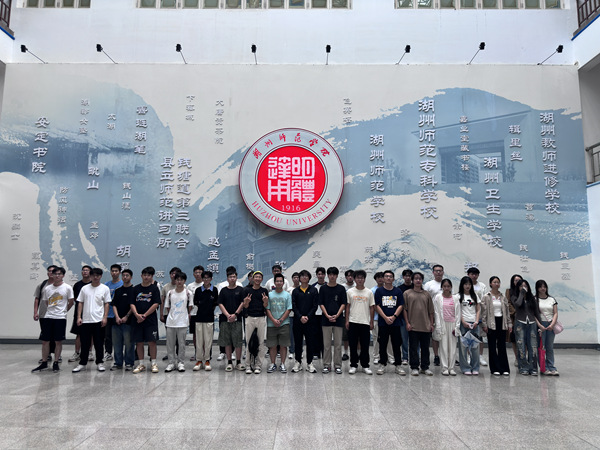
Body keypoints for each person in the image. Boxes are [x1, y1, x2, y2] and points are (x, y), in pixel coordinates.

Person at [32, 267, 74, 373]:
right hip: (48, 317)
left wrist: (64, 311)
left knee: (58, 341)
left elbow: (71, 301)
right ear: (52, 275)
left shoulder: (67, 287)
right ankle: (44, 362)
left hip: (60, 318)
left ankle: (56, 362)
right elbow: (46, 302)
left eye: (59, 274)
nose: (57, 276)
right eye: (55, 274)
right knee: (45, 341)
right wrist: (51, 310)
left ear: (63, 275)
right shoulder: (47, 288)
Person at [72, 268, 111, 373]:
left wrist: (105, 317)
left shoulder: (105, 288)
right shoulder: (84, 288)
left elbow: (107, 303)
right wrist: (79, 317)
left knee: (99, 343)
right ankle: (82, 363)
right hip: (86, 320)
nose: (95, 277)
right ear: (90, 276)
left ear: (101, 276)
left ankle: (100, 362)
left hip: (99, 321)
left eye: (98, 275)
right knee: (85, 343)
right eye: (93, 275)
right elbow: (80, 302)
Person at [130, 266, 162, 374]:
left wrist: (144, 316)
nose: (146, 277)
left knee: (152, 342)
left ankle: (153, 363)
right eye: (144, 275)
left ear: (152, 276)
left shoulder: (154, 289)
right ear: (141, 276)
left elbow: (156, 303)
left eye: (148, 275)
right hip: (137, 320)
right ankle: (141, 364)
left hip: (150, 320)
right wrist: (136, 314)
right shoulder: (136, 288)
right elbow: (132, 303)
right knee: (139, 342)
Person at [374, 270, 405, 375]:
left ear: (393, 279)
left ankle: (398, 365)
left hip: (396, 323)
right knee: (382, 344)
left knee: (396, 344)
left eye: (390, 276)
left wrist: (394, 317)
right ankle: (382, 364)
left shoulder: (398, 291)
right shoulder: (379, 291)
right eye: (386, 276)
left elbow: (401, 305)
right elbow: (377, 306)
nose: (388, 278)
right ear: (383, 278)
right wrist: (385, 318)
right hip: (383, 323)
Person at [403, 272, 434, 376]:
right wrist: (407, 323)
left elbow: (431, 311)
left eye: (420, 278)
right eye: (416, 278)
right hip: (413, 326)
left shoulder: (426, 294)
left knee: (425, 348)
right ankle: (414, 367)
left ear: (422, 280)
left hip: (425, 326)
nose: (418, 280)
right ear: (412, 280)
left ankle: (425, 367)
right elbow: (404, 310)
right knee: (413, 348)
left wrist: (431, 324)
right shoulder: (407, 293)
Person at [346, 269, 375, 375]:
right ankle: (353, 365)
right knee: (353, 345)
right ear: (354, 279)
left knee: (365, 345)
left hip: (365, 322)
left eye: (362, 278)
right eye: (358, 278)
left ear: (364, 279)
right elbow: (347, 307)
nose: (360, 280)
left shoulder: (369, 292)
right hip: (353, 321)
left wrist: (371, 321)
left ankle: (365, 365)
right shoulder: (350, 292)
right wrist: (347, 320)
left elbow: (372, 307)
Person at [481, 276, 511, 376]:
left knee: (502, 345)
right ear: (490, 284)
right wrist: (484, 324)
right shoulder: (486, 296)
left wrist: (509, 324)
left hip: (501, 322)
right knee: (492, 346)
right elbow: (484, 312)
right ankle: (495, 368)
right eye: (494, 282)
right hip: (491, 323)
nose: (496, 284)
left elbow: (507, 312)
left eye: (498, 282)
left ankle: (504, 368)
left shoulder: (503, 296)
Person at [319, 266, 347, 374]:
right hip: (325, 320)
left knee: (338, 344)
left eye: (334, 274)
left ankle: (337, 365)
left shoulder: (341, 288)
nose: (332, 276)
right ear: (328, 275)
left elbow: (343, 303)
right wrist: (327, 315)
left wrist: (337, 315)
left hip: (338, 320)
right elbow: (321, 303)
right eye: (330, 274)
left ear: (337, 276)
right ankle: (326, 365)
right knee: (326, 345)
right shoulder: (323, 288)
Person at [164, 272, 193, 372]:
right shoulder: (170, 293)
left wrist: (185, 315)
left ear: (184, 281)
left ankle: (181, 363)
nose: (179, 282)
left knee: (181, 344)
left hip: (183, 322)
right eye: (177, 280)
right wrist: (172, 315)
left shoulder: (188, 293)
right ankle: (171, 363)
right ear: (175, 280)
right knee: (170, 344)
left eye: (181, 280)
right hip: (171, 322)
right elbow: (167, 306)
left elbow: (190, 306)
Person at [291, 269, 319, 373]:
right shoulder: (295, 291)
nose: (304, 277)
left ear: (309, 278)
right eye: (302, 276)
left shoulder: (313, 290)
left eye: (306, 276)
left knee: (310, 343)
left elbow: (315, 306)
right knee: (298, 342)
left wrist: (307, 316)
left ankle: (309, 363)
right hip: (298, 321)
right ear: (299, 278)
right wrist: (300, 317)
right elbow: (293, 305)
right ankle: (298, 362)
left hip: (310, 321)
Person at [218, 266, 245, 372]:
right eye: (230, 277)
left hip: (237, 319)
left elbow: (242, 303)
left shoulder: (240, 290)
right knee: (227, 341)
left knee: (238, 341)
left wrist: (235, 314)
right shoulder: (223, 290)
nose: (232, 278)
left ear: (236, 278)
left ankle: (238, 362)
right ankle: (229, 362)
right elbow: (220, 303)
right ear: (227, 278)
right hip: (226, 320)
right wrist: (227, 315)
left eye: (234, 277)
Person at [512, 279, 541, 376]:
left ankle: (533, 368)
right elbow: (518, 304)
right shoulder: (514, 297)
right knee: (521, 346)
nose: (523, 288)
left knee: (533, 346)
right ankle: (523, 367)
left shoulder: (532, 298)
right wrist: (521, 293)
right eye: (521, 286)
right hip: (520, 323)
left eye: (525, 286)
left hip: (532, 323)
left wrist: (540, 326)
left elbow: (536, 312)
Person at [241, 271, 269, 374]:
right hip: (250, 318)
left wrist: (265, 301)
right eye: (256, 277)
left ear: (262, 279)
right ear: (252, 278)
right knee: (248, 342)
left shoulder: (264, 291)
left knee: (260, 343)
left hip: (261, 318)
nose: (257, 279)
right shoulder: (246, 290)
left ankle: (258, 365)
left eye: (259, 277)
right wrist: (247, 302)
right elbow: (245, 306)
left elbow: (266, 306)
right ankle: (248, 365)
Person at [432, 278, 460, 376]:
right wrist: (438, 326)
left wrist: (457, 327)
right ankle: (444, 367)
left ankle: (451, 368)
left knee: (453, 348)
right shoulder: (438, 297)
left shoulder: (455, 298)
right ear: (442, 287)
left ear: (451, 287)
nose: (446, 288)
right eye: (444, 286)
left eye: (448, 286)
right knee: (443, 347)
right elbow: (436, 312)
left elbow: (458, 313)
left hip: (452, 324)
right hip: (443, 324)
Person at [266, 273, 292, 373]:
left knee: (283, 345)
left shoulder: (287, 295)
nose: (279, 283)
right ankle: (272, 364)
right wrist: (273, 320)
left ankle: (282, 364)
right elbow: (267, 309)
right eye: (277, 281)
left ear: (283, 283)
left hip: (284, 324)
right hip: (271, 324)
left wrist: (281, 320)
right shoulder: (269, 295)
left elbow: (289, 309)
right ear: (274, 282)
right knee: (272, 345)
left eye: (281, 281)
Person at [193, 270, 218, 372]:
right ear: (202, 279)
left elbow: (215, 303)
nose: (206, 280)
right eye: (204, 278)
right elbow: (196, 302)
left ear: (211, 279)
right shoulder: (198, 290)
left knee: (208, 341)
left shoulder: (214, 290)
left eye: (208, 278)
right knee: (199, 341)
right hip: (199, 318)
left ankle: (207, 360)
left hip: (209, 319)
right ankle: (199, 361)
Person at [110, 269, 135, 371]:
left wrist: (127, 316)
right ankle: (118, 363)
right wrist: (117, 317)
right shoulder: (118, 290)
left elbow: (134, 306)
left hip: (129, 322)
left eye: (127, 275)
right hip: (117, 321)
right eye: (123, 275)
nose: (125, 277)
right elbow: (114, 305)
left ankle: (129, 363)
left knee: (129, 344)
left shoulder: (134, 290)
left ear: (131, 277)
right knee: (117, 344)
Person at [33, 265, 57, 365]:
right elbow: (37, 299)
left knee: (56, 336)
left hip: (56, 315)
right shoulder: (42, 285)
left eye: (53, 271)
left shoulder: (60, 285)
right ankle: (47, 355)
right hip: (44, 314)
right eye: (49, 271)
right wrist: (35, 312)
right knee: (46, 336)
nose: (51, 273)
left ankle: (57, 355)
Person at [457, 276, 481, 376]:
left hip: (474, 324)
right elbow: (458, 310)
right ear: (462, 285)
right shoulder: (458, 296)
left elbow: (478, 309)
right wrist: (463, 322)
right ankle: (465, 368)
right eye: (466, 284)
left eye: (469, 284)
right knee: (463, 348)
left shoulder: (475, 296)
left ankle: (475, 367)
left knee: (475, 347)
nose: (467, 286)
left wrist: (476, 321)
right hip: (464, 324)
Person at [535, 279, 559, 376]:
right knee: (541, 347)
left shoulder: (552, 299)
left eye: (544, 286)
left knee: (549, 347)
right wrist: (539, 325)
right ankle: (543, 367)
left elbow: (555, 313)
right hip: (540, 325)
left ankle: (551, 367)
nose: (543, 288)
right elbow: (533, 314)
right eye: (540, 287)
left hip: (550, 325)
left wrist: (552, 324)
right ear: (537, 288)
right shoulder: (535, 299)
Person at [68, 265, 92, 363]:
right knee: (79, 334)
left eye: (87, 270)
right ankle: (77, 353)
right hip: (79, 312)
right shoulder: (77, 285)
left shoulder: (93, 284)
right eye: (83, 270)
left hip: (90, 312)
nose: (85, 272)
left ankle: (89, 352)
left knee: (90, 334)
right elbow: (75, 299)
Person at [160, 267, 183, 361]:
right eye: (172, 273)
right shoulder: (166, 287)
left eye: (176, 273)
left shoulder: (183, 287)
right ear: (170, 275)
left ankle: (179, 354)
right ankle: (170, 354)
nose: (174, 275)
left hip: (180, 315)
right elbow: (162, 301)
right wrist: (161, 314)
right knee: (170, 336)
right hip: (168, 315)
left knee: (179, 336)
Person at [467, 267, 489, 367]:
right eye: (472, 274)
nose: (474, 276)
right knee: (468, 336)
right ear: (468, 275)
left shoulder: (482, 286)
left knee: (480, 336)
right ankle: (469, 356)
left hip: (479, 313)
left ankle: (480, 355)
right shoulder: (465, 285)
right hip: (468, 313)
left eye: (475, 274)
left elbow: (485, 300)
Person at [424, 264, 444, 366]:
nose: (438, 272)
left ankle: (446, 356)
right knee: (435, 335)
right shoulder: (429, 284)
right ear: (433, 272)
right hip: (432, 313)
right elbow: (425, 299)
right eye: (436, 271)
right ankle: (436, 356)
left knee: (445, 335)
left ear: (443, 272)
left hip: (445, 313)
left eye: (440, 271)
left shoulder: (446, 283)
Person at [103, 264, 123, 363]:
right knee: (107, 336)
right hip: (108, 314)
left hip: (119, 315)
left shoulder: (122, 284)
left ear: (119, 272)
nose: (114, 273)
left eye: (116, 271)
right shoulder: (106, 285)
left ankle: (119, 354)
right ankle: (108, 353)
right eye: (112, 271)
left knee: (119, 336)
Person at [187, 265, 204, 361]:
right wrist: (188, 313)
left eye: (200, 272)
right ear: (193, 274)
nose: (198, 274)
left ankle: (205, 353)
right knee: (195, 334)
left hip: (203, 314)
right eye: (196, 272)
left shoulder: (206, 285)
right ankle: (197, 352)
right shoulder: (190, 286)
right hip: (193, 313)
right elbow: (187, 301)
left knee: (204, 334)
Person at [506, 274, 523, 366]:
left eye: (519, 280)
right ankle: (517, 358)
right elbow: (508, 303)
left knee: (524, 338)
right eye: (515, 280)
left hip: (524, 317)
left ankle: (523, 357)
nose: (517, 282)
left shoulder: (524, 291)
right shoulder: (509, 291)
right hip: (513, 318)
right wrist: (515, 312)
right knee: (514, 338)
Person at [397, 269, 413, 365]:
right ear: (403, 277)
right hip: (402, 318)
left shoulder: (416, 287)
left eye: (409, 276)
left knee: (415, 339)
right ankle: (405, 357)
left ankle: (415, 356)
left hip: (414, 317)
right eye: (406, 276)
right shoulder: (399, 289)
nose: (408, 278)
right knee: (404, 339)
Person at [311, 266, 327, 360]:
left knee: (325, 335)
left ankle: (325, 352)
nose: (320, 276)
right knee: (315, 334)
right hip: (315, 314)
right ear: (316, 275)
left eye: (322, 274)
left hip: (325, 314)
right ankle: (316, 353)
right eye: (319, 274)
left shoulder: (328, 286)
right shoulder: (313, 287)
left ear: (325, 275)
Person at [341, 269, 355, 361]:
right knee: (345, 336)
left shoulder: (357, 286)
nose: (350, 277)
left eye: (352, 276)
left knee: (356, 336)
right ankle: (345, 353)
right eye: (348, 276)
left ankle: (357, 353)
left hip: (355, 314)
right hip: (344, 315)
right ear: (346, 277)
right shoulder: (342, 287)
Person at [287, 272, 300, 362]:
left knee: (300, 334)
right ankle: (291, 351)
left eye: (297, 277)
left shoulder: (302, 288)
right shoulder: (289, 290)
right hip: (291, 315)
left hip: (300, 315)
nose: (296, 279)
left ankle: (300, 351)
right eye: (294, 277)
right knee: (291, 334)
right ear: (292, 279)